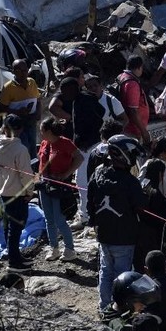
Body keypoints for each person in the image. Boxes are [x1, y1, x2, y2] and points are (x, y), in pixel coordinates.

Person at [87, 135, 147, 315]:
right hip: (124, 237)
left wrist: (94, 222)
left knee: (105, 271)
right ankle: (118, 309)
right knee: (122, 276)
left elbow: (90, 203)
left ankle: (104, 307)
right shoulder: (131, 183)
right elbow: (141, 208)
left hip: (104, 234)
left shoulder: (98, 174)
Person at [58, 77, 108, 231]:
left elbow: (98, 118)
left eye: (64, 90)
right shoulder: (78, 100)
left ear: (73, 89)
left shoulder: (84, 100)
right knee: (83, 181)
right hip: (85, 146)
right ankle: (88, 213)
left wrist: (87, 139)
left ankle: (86, 215)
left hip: (89, 147)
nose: (62, 94)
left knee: (82, 182)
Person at [0, 114, 35, 272]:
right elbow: (26, 174)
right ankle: (14, 263)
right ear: (20, 129)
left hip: (3, 191)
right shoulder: (20, 149)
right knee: (16, 227)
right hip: (18, 193)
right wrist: (30, 191)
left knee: (8, 226)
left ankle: (14, 256)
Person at [37, 118, 83, 262]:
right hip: (44, 185)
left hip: (59, 187)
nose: (40, 133)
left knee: (59, 219)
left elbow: (79, 158)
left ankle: (69, 249)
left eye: (42, 130)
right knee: (48, 219)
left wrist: (66, 174)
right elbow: (40, 163)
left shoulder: (65, 143)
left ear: (48, 131)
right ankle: (54, 248)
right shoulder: (45, 143)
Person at [0, 59, 42, 159]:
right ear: (13, 71)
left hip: (31, 121)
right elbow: (2, 109)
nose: (23, 73)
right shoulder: (8, 87)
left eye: (25, 70)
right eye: (19, 71)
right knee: (23, 148)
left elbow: (38, 100)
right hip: (17, 125)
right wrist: (17, 112)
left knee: (32, 147)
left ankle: (33, 170)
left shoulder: (32, 82)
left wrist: (38, 114)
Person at [134, 158, 166, 273]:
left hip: (138, 231)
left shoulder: (140, 186)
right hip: (152, 235)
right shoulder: (155, 193)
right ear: (160, 174)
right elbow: (162, 217)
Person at [117, 56, 151, 146]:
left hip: (131, 127)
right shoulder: (132, 84)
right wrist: (143, 131)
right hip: (133, 130)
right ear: (139, 67)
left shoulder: (122, 77)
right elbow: (133, 111)